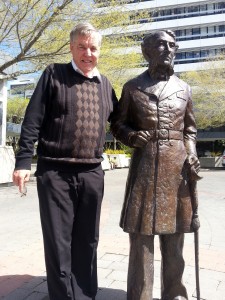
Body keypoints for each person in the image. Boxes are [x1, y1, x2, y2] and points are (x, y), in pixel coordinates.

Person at [13, 23, 118, 300]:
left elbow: (120, 124)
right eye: (82, 46)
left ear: (99, 51)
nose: (88, 53)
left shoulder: (105, 84)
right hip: (55, 171)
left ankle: (84, 295)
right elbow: (32, 120)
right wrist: (23, 161)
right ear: (71, 47)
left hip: (92, 172)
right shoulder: (53, 74)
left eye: (93, 48)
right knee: (59, 242)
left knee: (88, 240)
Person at [111, 30, 201, 300]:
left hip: (177, 168)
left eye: (172, 45)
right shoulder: (132, 87)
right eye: (161, 44)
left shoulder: (184, 88)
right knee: (141, 239)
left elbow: (190, 130)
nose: (168, 49)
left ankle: (174, 293)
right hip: (145, 168)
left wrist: (192, 153)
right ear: (147, 51)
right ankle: (140, 295)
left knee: (175, 239)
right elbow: (117, 124)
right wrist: (131, 136)